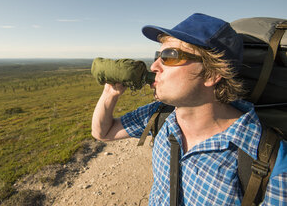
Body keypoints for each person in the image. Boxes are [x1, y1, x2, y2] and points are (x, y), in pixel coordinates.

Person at [91, 13, 287, 205]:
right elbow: (104, 132)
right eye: (158, 55)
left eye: (169, 56)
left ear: (212, 74)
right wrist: (111, 92)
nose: (153, 67)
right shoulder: (159, 113)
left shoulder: (268, 162)